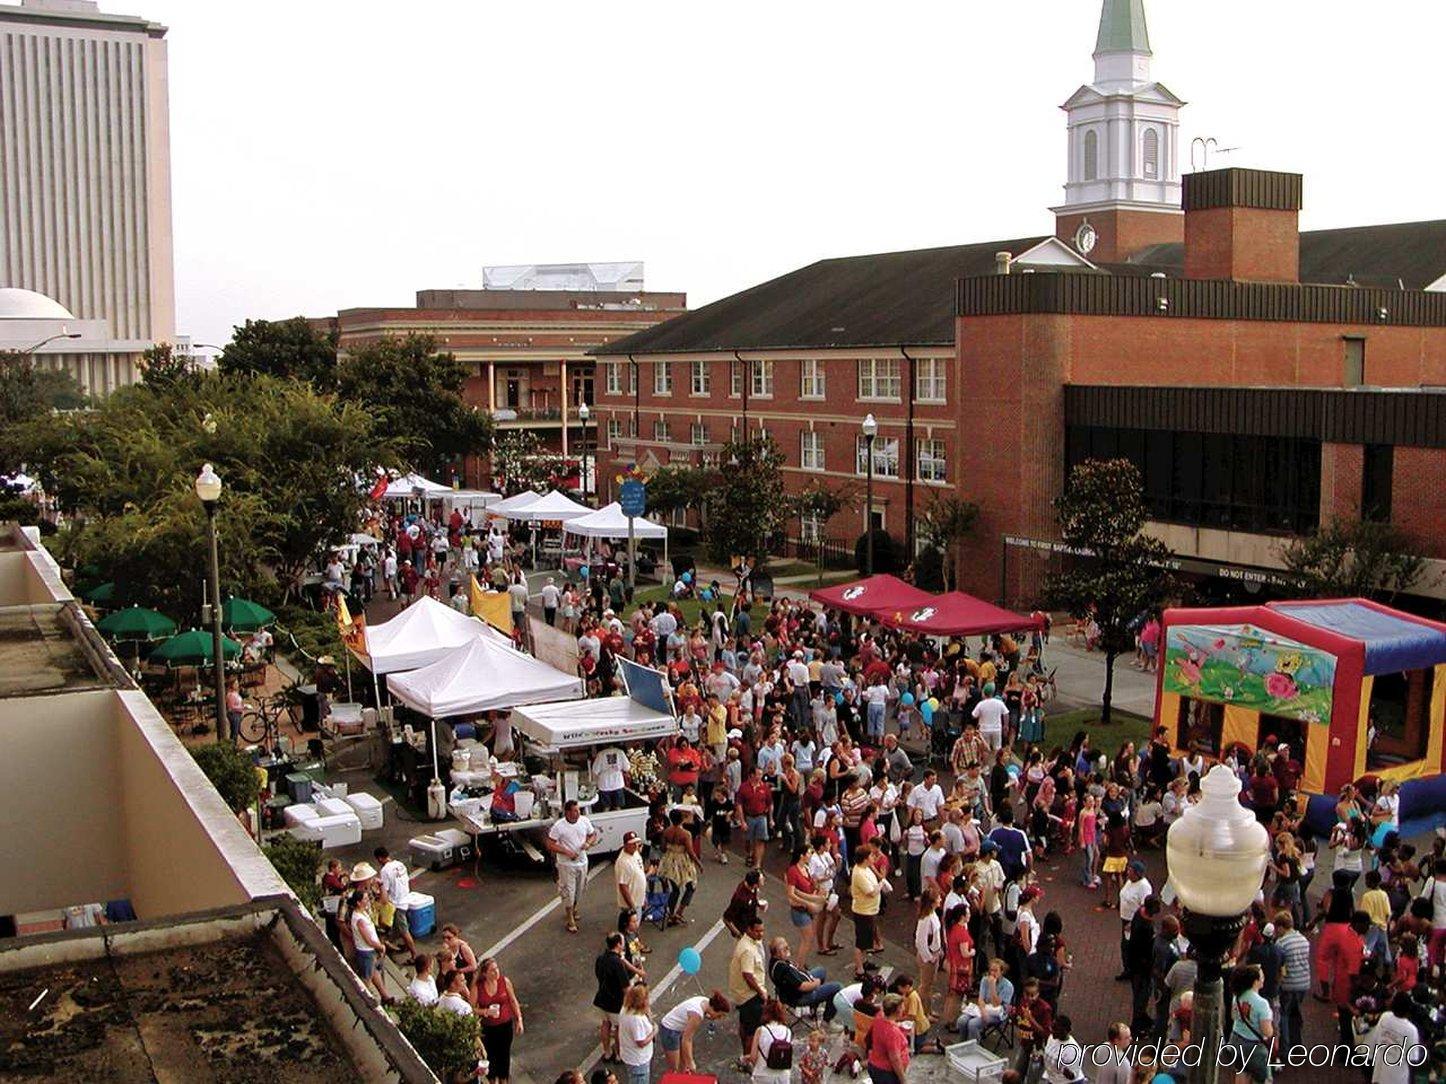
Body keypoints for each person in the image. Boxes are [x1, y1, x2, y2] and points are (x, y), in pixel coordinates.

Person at [547, 799, 600, 933]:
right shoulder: (559, 826)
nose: (578, 813)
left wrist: (588, 843)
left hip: (582, 861)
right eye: (575, 810)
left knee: (579, 889)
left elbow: (593, 834)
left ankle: (573, 907)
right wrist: (566, 852)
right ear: (567, 812)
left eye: (578, 810)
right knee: (569, 891)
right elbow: (550, 844)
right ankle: (570, 917)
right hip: (566, 864)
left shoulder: (584, 821)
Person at [476, 956, 524, 1084]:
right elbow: (471, 1008)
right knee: (490, 1056)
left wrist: (519, 1019)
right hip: (488, 1027)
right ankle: (492, 1081)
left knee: (504, 1055)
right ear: (485, 973)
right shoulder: (478, 987)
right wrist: (486, 1012)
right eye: (492, 970)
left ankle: (504, 1080)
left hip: (505, 1025)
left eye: (497, 969)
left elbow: (513, 1000)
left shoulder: (504, 982)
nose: (496, 972)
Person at [768, 937, 842, 1019]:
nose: (788, 950)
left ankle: (813, 1010)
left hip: (787, 992)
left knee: (821, 971)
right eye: (784, 949)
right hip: (799, 997)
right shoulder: (784, 969)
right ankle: (827, 1020)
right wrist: (816, 983)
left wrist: (806, 975)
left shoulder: (774, 962)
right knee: (837, 987)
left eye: (787, 947)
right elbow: (802, 987)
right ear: (777, 953)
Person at [729, 916, 769, 1066]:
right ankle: (748, 1058)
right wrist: (760, 992)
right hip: (750, 995)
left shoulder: (748, 943)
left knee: (744, 1024)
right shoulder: (747, 949)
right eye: (757, 931)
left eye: (762, 931)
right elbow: (748, 975)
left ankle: (745, 1054)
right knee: (751, 1030)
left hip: (742, 994)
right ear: (749, 929)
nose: (761, 934)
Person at [658, 991, 731, 1073]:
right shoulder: (697, 1015)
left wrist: (688, 1061)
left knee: (683, 1063)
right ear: (714, 1009)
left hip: (679, 1029)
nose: (718, 1018)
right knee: (674, 1067)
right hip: (670, 1030)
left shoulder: (704, 1001)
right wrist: (691, 1062)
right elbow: (687, 1040)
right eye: (718, 1015)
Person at [1226, 964, 1273, 1084]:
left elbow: (1233, 1016)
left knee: (1241, 1072)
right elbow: (1267, 1031)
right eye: (1261, 977)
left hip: (1236, 1040)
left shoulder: (1237, 996)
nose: (1263, 979)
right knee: (1263, 1078)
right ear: (1255, 981)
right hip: (1254, 1046)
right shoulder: (1262, 1003)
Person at [1364, 992, 1420, 1084]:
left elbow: (1376, 1041)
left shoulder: (1385, 1017)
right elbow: (1412, 1060)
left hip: (1380, 1073)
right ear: (1408, 1009)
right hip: (1398, 1078)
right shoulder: (1411, 1030)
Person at [594, 932, 633, 1062]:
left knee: (605, 1024)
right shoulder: (617, 963)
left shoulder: (601, 958)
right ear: (618, 944)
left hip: (602, 998)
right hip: (615, 1003)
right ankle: (618, 1054)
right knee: (618, 1028)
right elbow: (626, 987)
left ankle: (607, 1052)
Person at [348, 890, 392, 1004]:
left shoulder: (363, 913)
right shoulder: (359, 919)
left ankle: (385, 996)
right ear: (358, 902)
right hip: (366, 952)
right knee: (366, 979)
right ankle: (363, 1001)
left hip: (370, 951)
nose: (367, 901)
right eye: (365, 899)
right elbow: (368, 940)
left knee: (374, 973)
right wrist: (380, 947)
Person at [850, 842, 885, 979]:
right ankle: (859, 970)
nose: (873, 857)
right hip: (863, 912)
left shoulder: (866, 868)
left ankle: (863, 962)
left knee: (866, 941)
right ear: (865, 858)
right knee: (861, 942)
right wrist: (881, 885)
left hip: (869, 910)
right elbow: (871, 892)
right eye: (871, 855)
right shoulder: (859, 873)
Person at [375, 847, 416, 957]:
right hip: (406, 898)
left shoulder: (385, 871)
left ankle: (414, 955)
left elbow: (385, 890)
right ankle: (404, 946)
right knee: (400, 927)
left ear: (379, 858)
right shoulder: (400, 864)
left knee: (403, 930)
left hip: (397, 903)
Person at [865, 993, 912, 1084]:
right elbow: (895, 1059)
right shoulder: (892, 1032)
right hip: (886, 1073)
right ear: (897, 1010)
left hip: (875, 1066)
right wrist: (903, 1080)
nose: (904, 1009)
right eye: (902, 1007)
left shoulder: (879, 1016)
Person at [736, 765, 774, 870]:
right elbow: (739, 804)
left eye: (761, 774)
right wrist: (742, 821)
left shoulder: (764, 788)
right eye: (758, 774)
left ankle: (758, 864)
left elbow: (770, 803)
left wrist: (770, 819)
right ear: (751, 775)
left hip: (761, 817)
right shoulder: (743, 787)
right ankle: (749, 853)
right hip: (749, 817)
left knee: (760, 840)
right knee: (748, 840)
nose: (760, 776)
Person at [618, 983, 656, 1084]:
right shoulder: (636, 1019)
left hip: (629, 1055)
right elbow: (641, 1042)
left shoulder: (625, 1009)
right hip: (638, 1060)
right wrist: (654, 1032)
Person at [749, 999, 794, 1082]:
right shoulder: (788, 1031)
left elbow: (753, 1057)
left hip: (763, 1074)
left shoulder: (761, 1030)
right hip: (783, 1075)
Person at [615, 831, 649, 939]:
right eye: (632, 843)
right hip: (631, 903)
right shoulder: (623, 862)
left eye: (636, 843)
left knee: (635, 925)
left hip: (638, 899)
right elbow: (623, 886)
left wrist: (643, 898)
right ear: (625, 845)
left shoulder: (635, 854)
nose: (635, 845)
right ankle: (631, 949)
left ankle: (635, 945)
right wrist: (632, 906)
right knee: (631, 928)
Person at [1040, 1014, 1086, 1084]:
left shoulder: (1072, 1050)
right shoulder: (1052, 1038)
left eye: (1056, 1029)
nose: (1052, 1031)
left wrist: (1062, 1068)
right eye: (1052, 1027)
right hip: (1054, 1080)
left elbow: (1072, 1076)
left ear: (1065, 1031)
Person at [592, 746, 629, 812]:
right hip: (618, 784)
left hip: (604, 785)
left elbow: (595, 770)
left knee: (606, 808)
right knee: (618, 808)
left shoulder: (601, 754)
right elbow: (627, 768)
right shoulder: (620, 752)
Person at [224, 679, 244, 743]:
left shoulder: (236, 693)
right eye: (235, 684)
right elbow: (231, 707)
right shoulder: (230, 695)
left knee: (235, 731)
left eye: (237, 683)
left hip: (238, 713)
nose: (237, 685)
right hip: (234, 714)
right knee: (234, 731)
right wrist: (242, 707)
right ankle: (232, 745)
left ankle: (233, 745)